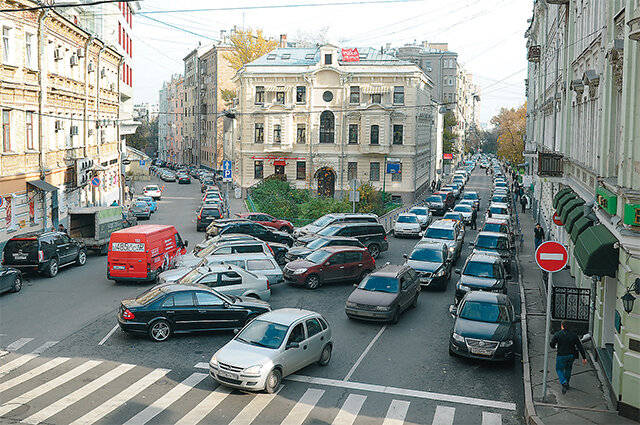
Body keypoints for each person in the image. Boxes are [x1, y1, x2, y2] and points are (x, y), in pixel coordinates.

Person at [550, 321, 587, 394]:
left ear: (562, 326)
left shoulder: (558, 335)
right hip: (571, 355)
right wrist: (584, 357)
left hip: (561, 355)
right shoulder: (574, 335)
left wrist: (555, 346)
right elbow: (580, 346)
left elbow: (552, 344)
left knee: (559, 369)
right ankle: (567, 382)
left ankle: (564, 382)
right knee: (568, 368)